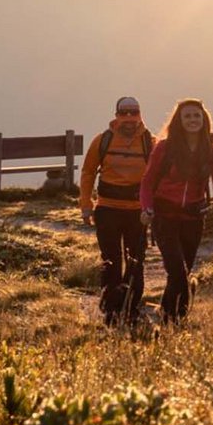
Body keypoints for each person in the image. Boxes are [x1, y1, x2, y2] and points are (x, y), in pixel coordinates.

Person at [140, 98, 213, 324]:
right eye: (187, 116)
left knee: (181, 273)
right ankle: (176, 320)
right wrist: (147, 209)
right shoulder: (164, 147)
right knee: (178, 273)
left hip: (193, 218)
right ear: (178, 121)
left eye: (196, 116)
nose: (192, 120)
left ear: (204, 121)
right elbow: (147, 182)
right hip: (164, 217)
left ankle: (166, 317)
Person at [79, 96, 153, 326]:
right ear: (116, 115)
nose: (129, 118)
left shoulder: (151, 143)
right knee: (110, 260)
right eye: (124, 113)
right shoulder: (103, 141)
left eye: (133, 113)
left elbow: (158, 177)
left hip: (137, 213)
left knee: (135, 262)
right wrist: (86, 206)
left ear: (140, 114)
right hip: (107, 209)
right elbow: (88, 172)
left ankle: (130, 309)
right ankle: (111, 309)